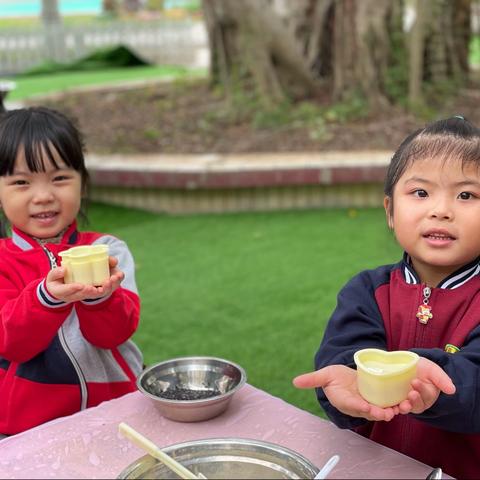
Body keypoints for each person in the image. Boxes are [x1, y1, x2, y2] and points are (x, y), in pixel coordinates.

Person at [293, 116, 480, 479]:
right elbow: (343, 363)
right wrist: (347, 386)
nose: (441, 210)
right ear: (390, 211)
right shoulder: (366, 291)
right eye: (421, 192)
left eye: (467, 195)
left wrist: (428, 379)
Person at [0, 106, 143, 437]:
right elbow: (11, 343)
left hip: (116, 410)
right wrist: (46, 298)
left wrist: (100, 297)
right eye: (21, 182)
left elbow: (114, 335)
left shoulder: (109, 249)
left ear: (83, 182)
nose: (44, 196)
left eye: (60, 178)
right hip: (28, 425)